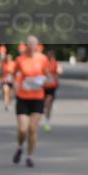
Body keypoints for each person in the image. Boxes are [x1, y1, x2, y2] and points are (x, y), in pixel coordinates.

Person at [12, 35, 54, 167]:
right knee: (23, 129)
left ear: (37, 46)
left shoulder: (42, 59)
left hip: (37, 98)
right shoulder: (20, 59)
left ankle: (30, 156)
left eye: (33, 44)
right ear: (26, 45)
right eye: (28, 44)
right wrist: (16, 85)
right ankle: (20, 147)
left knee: (32, 128)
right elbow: (14, 75)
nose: (31, 46)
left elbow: (49, 77)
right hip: (23, 98)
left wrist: (43, 81)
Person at [42, 49, 62, 131]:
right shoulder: (43, 63)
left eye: (52, 55)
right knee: (45, 104)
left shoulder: (56, 63)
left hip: (52, 87)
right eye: (49, 55)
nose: (50, 57)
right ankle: (45, 116)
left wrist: (57, 79)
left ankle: (47, 121)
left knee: (48, 104)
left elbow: (59, 72)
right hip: (43, 86)